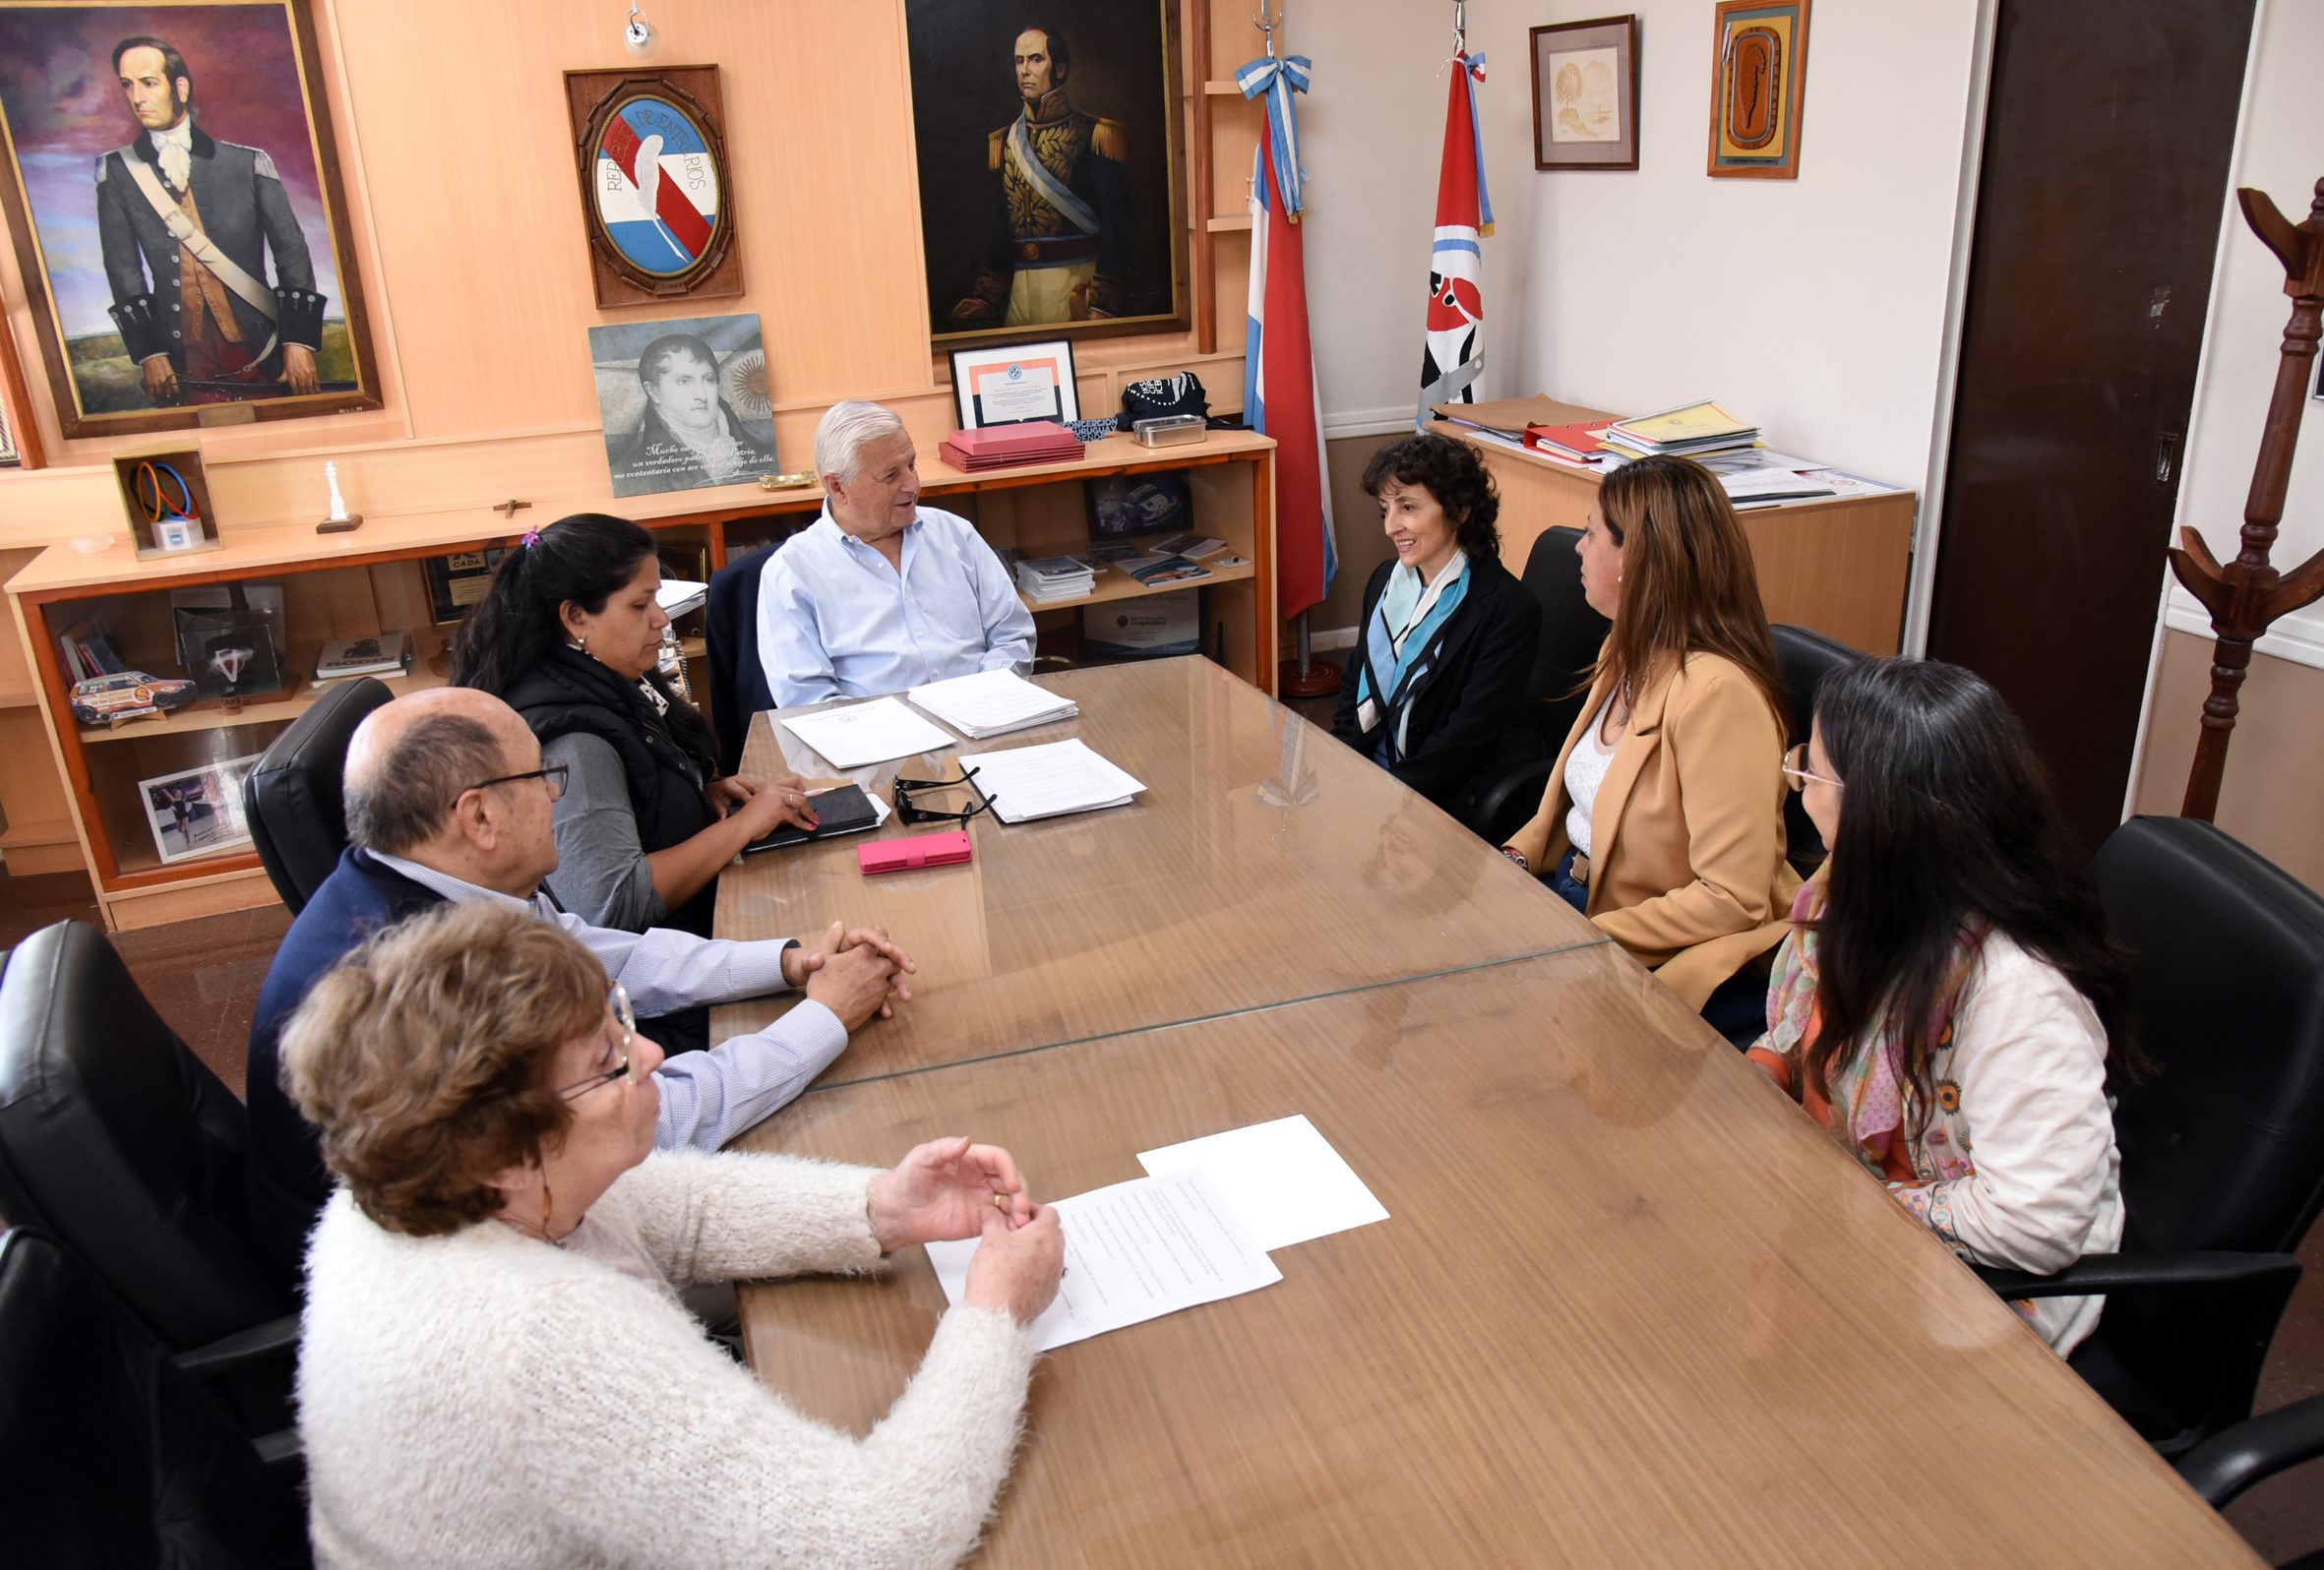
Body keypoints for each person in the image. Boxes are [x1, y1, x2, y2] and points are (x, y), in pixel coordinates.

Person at [284, 900, 1064, 1569]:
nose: (650, 1053)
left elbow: (678, 1207)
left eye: (620, 1020)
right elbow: (870, 1545)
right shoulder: (539, 1343)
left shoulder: (426, 1178)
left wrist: (884, 1210)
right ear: (507, 1154)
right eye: (607, 1060)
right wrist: (995, 1314)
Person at [242, 685, 915, 1290]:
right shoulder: (434, 979)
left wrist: (787, 962)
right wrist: (823, 1018)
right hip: (471, 1279)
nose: (557, 794)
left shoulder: (432, 881)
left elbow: (600, 957)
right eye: (542, 776)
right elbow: (649, 1120)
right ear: (477, 817)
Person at [1743, 659, 2134, 1355]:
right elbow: (1799, 1032)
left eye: (1813, 768)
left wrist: (1859, 1211)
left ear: (1881, 814)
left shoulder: (2017, 993)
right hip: (1832, 1205)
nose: (1797, 781)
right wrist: (1764, 1070)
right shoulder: (1852, 894)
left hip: (1968, 1280)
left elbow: (2035, 1222)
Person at [1498, 454, 1797, 1035]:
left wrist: (1585, 938)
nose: (1579, 550)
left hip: (1653, 943)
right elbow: (1573, 802)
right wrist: (1511, 860)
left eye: (1590, 534)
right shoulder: (1627, 647)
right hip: (1575, 893)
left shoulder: (1718, 695)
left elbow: (1732, 898)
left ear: (1636, 557)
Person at [457, 512, 805, 937]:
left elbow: (636, 789)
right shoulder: (573, 743)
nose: (661, 618)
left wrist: (697, 792)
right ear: (575, 617)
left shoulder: (601, 674)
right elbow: (611, 904)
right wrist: (743, 826)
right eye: (641, 605)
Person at [96, 35, 327, 407]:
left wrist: (297, 342)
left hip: (261, 344)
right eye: (128, 85)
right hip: (181, 357)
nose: (136, 97)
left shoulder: (248, 164)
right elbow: (123, 271)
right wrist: (150, 354)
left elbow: (292, 255)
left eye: (149, 83)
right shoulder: (116, 172)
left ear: (180, 88)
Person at [758, 400, 1036, 706]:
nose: (913, 485)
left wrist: (987, 700)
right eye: (891, 476)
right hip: (877, 742)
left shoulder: (955, 534)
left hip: (987, 717)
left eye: (912, 465)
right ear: (837, 486)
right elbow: (807, 699)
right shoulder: (791, 573)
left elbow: (1013, 634)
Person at [1331, 433, 1541, 828]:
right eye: (1385, 509)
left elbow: (1466, 740)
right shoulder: (1383, 581)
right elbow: (1352, 688)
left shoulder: (1508, 607)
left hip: (1436, 797)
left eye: (1407, 507)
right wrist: (1339, 771)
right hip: (1369, 779)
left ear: (1460, 511)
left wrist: (1378, 799)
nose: (1391, 526)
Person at [949, 25, 1131, 327]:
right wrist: (986, 296)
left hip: (1073, 287)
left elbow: (1117, 223)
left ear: (1059, 69)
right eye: (1019, 61)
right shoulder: (1006, 141)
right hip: (1019, 292)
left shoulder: (1095, 133)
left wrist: (1102, 303)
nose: (1024, 70)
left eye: (1035, 59)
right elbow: (1001, 226)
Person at [607, 332, 779, 491]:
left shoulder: (764, 454)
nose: (701, 395)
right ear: (653, 392)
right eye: (684, 381)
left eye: (708, 379)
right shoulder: (626, 477)